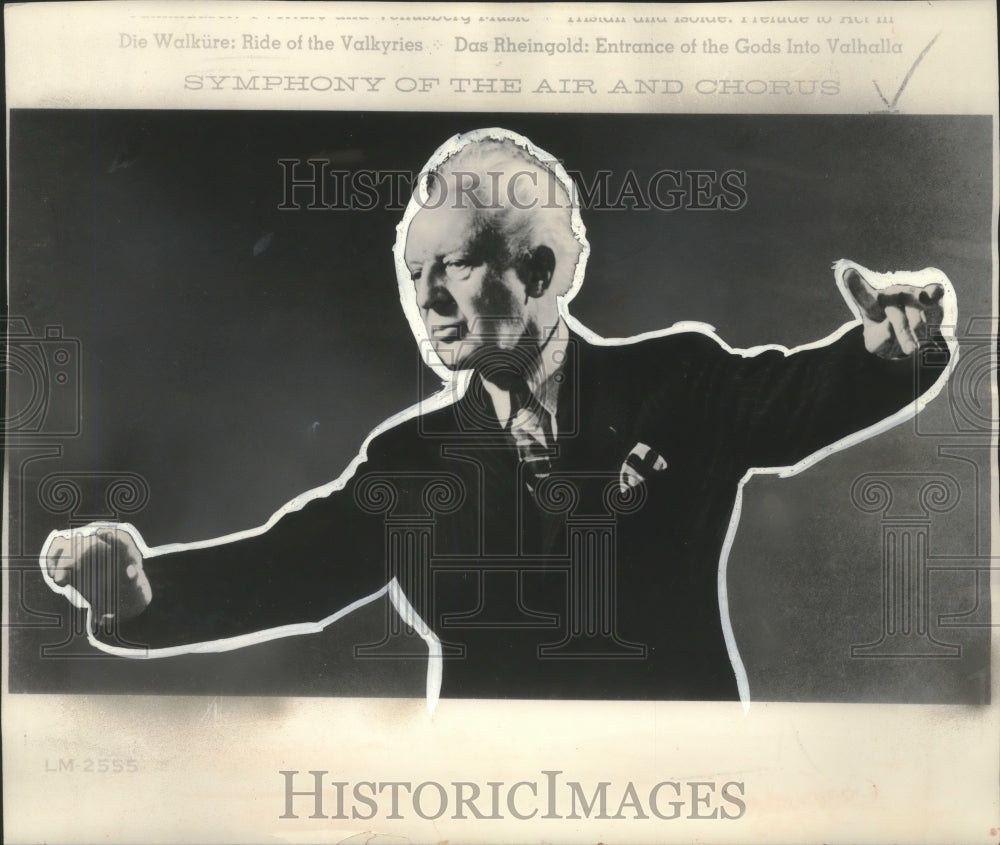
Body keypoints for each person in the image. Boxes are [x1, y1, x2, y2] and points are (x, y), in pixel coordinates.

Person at [41, 128, 956, 705]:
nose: (429, 300)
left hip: (685, 791)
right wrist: (135, 591)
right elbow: (292, 569)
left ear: (542, 272)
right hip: (490, 799)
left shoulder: (678, 379)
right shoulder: (409, 460)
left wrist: (893, 343)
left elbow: (797, 400)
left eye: (458, 265)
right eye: (414, 274)